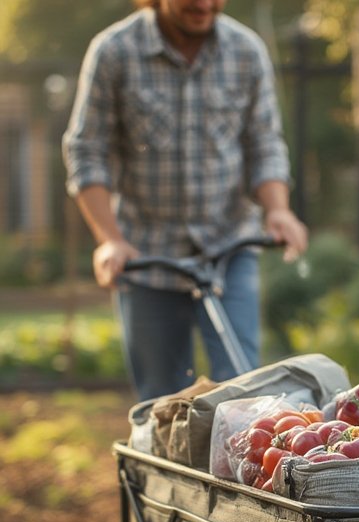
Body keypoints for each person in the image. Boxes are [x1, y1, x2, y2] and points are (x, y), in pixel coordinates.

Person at [63, 0, 308, 402]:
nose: (205, 4)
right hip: (145, 253)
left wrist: (278, 209)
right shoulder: (114, 51)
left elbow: (263, 143)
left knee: (242, 391)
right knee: (161, 400)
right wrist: (109, 238)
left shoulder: (246, 50)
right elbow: (87, 151)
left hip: (230, 246)